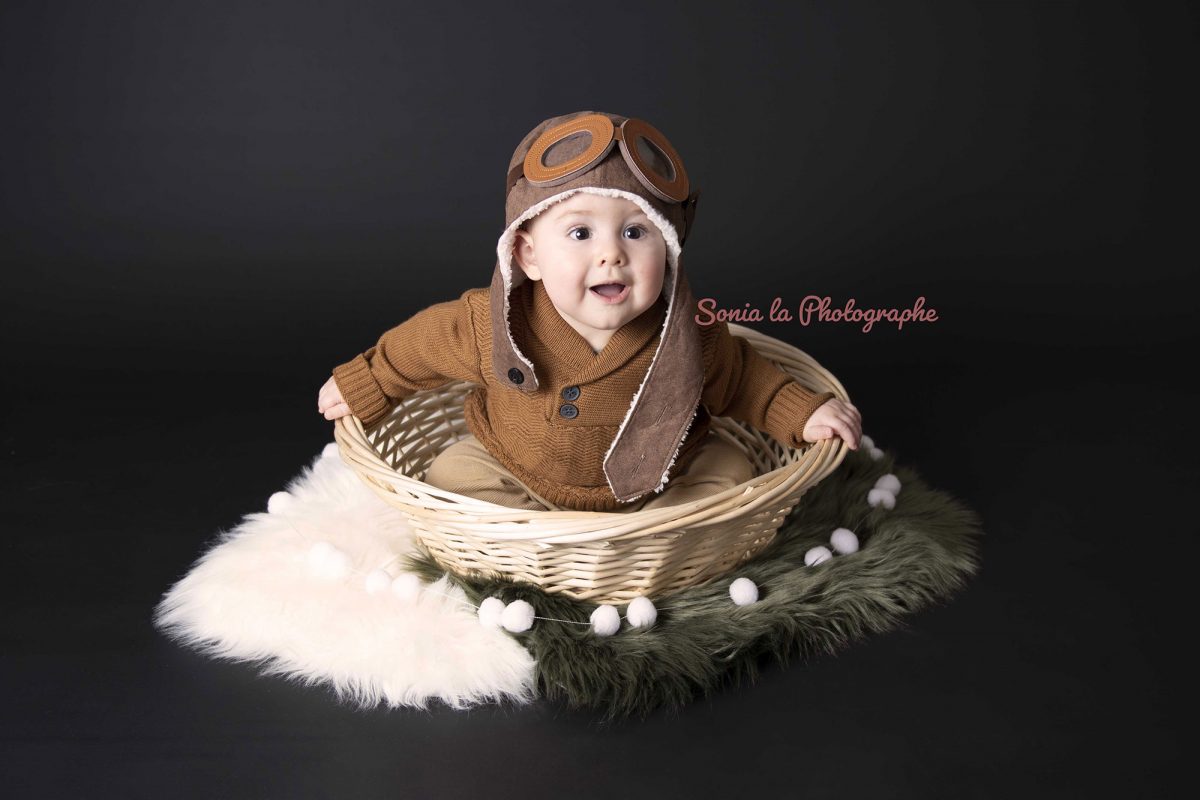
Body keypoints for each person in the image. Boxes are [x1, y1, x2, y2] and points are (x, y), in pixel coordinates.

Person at [318, 110, 862, 512]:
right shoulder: (492, 323)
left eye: (636, 232)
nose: (611, 254)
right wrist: (368, 381)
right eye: (580, 233)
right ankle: (538, 536)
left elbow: (747, 380)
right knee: (452, 472)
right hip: (518, 472)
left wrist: (802, 412)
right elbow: (418, 348)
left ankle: (643, 539)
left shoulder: (688, 335)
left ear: (669, 251)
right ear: (528, 255)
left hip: (660, 482)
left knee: (729, 471)